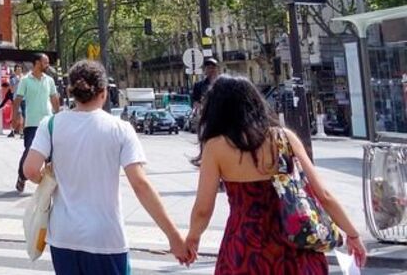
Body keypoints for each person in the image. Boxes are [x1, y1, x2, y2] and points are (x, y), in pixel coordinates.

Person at [24, 60, 193, 274]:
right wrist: (174, 236)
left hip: (64, 237)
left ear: (71, 92)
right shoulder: (120, 129)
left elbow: (29, 170)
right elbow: (140, 185)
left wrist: (48, 179)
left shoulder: (50, 124)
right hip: (105, 238)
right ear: (103, 92)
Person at [186, 75, 367, 272]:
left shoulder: (216, 147)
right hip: (294, 246)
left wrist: (192, 238)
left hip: (245, 248)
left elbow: (203, 208)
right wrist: (352, 234)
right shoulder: (284, 137)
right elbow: (323, 195)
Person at [13, 53, 60, 192]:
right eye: (45, 63)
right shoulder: (25, 80)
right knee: (29, 151)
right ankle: (22, 176)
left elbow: (54, 99)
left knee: (51, 154)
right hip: (32, 123)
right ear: (37, 63)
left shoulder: (49, 80)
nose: (48, 65)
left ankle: (50, 184)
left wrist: (59, 116)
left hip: (49, 122)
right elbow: (17, 100)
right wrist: (15, 117)